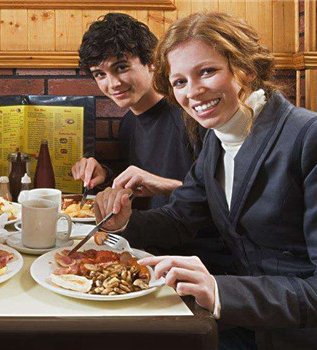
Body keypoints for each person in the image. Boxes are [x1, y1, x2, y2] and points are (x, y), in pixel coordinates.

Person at [94, 12, 317, 349]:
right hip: (244, 322)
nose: (193, 93)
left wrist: (219, 290)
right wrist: (125, 222)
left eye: (207, 72)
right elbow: (180, 219)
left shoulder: (307, 137)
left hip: (294, 332)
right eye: (180, 81)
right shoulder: (217, 139)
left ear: (247, 68)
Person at [72, 12, 231, 274]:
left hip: (201, 263)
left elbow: (224, 204)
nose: (112, 84)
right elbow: (141, 188)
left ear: (152, 63)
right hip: (150, 251)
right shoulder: (128, 124)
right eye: (99, 74)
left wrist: (163, 185)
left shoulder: (194, 115)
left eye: (121, 67)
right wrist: (104, 176)